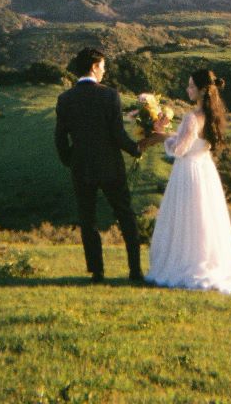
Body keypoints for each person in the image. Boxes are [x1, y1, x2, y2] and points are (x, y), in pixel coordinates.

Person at [143, 68, 231, 294]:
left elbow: (180, 150)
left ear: (202, 90)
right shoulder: (213, 116)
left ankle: (187, 263)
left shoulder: (193, 118)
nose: (187, 89)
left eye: (191, 86)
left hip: (188, 172)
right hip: (205, 170)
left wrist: (161, 136)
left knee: (187, 219)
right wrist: (168, 135)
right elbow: (192, 143)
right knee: (203, 220)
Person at [54, 47, 148, 284]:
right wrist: (136, 149)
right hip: (110, 165)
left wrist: (69, 160)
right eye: (103, 67)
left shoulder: (65, 99)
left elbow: (60, 137)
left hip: (81, 166)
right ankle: (135, 270)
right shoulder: (109, 96)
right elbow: (117, 134)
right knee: (126, 216)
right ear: (95, 67)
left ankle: (97, 272)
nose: (105, 71)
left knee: (88, 220)